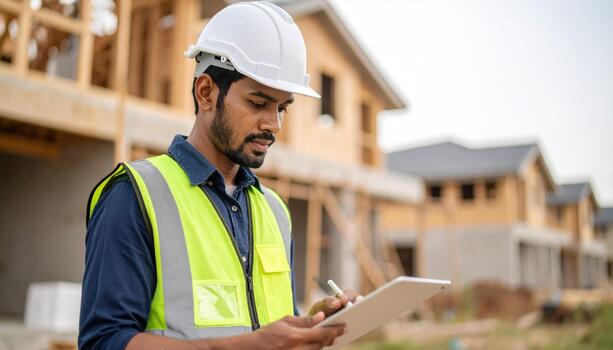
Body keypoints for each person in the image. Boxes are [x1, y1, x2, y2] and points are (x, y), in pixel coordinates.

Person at [79, 2, 358, 349]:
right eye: (258, 103)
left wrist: (308, 325)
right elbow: (104, 341)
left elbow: (263, 325)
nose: (273, 124)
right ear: (206, 92)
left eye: (282, 108)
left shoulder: (275, 211)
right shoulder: (134, 195)